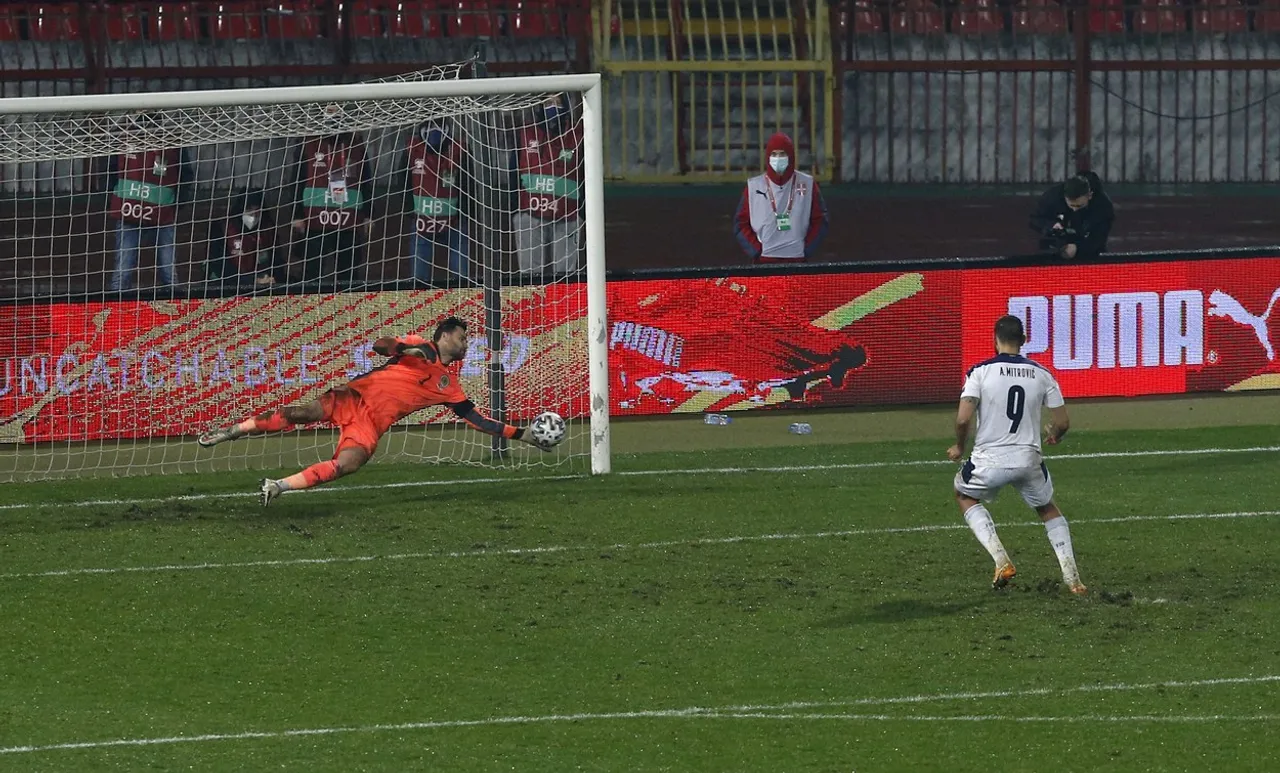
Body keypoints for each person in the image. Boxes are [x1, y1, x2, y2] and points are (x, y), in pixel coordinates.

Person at [197, 317, 551, 505]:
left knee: (349, 464)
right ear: (444, 336)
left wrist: (525, 435)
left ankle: (277, 487)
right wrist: (401, 348)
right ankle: (233, 430)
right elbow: (379, 345)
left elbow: (478, 420)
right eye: (461, 337)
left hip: (372, 422)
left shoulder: (450, 386)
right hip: (353, 396)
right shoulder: (418, 346)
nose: (465, 343)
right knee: (303, 413)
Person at [946, 315, 1086, 595]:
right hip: (1028, 459)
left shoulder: (980, 372)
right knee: (1047, 508)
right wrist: (1054, 435)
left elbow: (963, 420)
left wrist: (959, 447)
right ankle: (1073, 579)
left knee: (963, 495)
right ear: (1023, 341)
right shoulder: (1042, 373)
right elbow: (1063, 422)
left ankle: (1001, 559)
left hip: (989, 460)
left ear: (995, 340)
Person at [106, 114, 192, 291]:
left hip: (162, 215)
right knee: (123, 270)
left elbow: (186, 175)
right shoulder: (124, 140)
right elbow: (108, 168)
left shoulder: (172, 146)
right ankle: (114, 312)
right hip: (129, 214)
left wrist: (175, 205)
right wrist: (112, 199)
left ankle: (175, 307)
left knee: (168, 269)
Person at [292, 123, 373, 285]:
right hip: (316, 220)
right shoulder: (308, 144)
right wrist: (297, 215)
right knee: (312, 272)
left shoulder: (356, 145)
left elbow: (366, 181)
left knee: (349, 272)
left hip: (348, 220)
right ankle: (310, 305)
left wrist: (369, 215)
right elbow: (296, 180)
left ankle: (349, 306)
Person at [514, 93, 582, 278]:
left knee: (566, 276)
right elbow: (514, 172)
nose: (553, 107)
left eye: (557, 103)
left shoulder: (577, 136)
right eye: (548, 103)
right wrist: (516, 209)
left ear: (566, 107)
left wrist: (581, 211)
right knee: (529, 276)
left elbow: (585, 173)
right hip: (530, 215)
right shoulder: (525, 134)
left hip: (568, 216)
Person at [735, 132, 828, 264]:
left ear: (791, 156)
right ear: (768, 157)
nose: (778, 159)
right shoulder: (754, 186)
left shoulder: (807, 184)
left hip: (797, 259)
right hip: (764, 260)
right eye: (774, 154)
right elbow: (740, 223)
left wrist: (805, 249)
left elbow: (820, 220)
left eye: (782, 154)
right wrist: (756, 250)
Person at [406, 119, 468, 284]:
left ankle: (463, 301)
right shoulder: (413, 150)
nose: (435, 130)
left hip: (455, 221)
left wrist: (466, 213)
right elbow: (402, 182)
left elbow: (469, 183)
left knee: (461, 277)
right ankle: (417, 302)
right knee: (418, 279)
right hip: (421, 221)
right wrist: (409, 213)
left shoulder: (459, 149)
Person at [1029, 171, 1115, 259]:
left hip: (1088, 246)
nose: (1075, 209)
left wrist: (1078, 248)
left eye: (1079, 206)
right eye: (1071, 205)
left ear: (1089, 196)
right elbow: (1035, 219)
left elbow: (1099, 238)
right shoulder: (1052, 197)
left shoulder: (1103, 206)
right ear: (1064, 196)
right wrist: (1051, 225)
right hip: (1055, 245)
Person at [207, 189, 282, 289]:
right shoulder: (222, 228)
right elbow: (218, 264)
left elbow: (277, 260)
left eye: (257, 211)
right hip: (225, 286)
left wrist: (271, 278)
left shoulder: (268, 229)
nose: (254, 216)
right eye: (249, 210)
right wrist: (251, 281)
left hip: (262, 284)